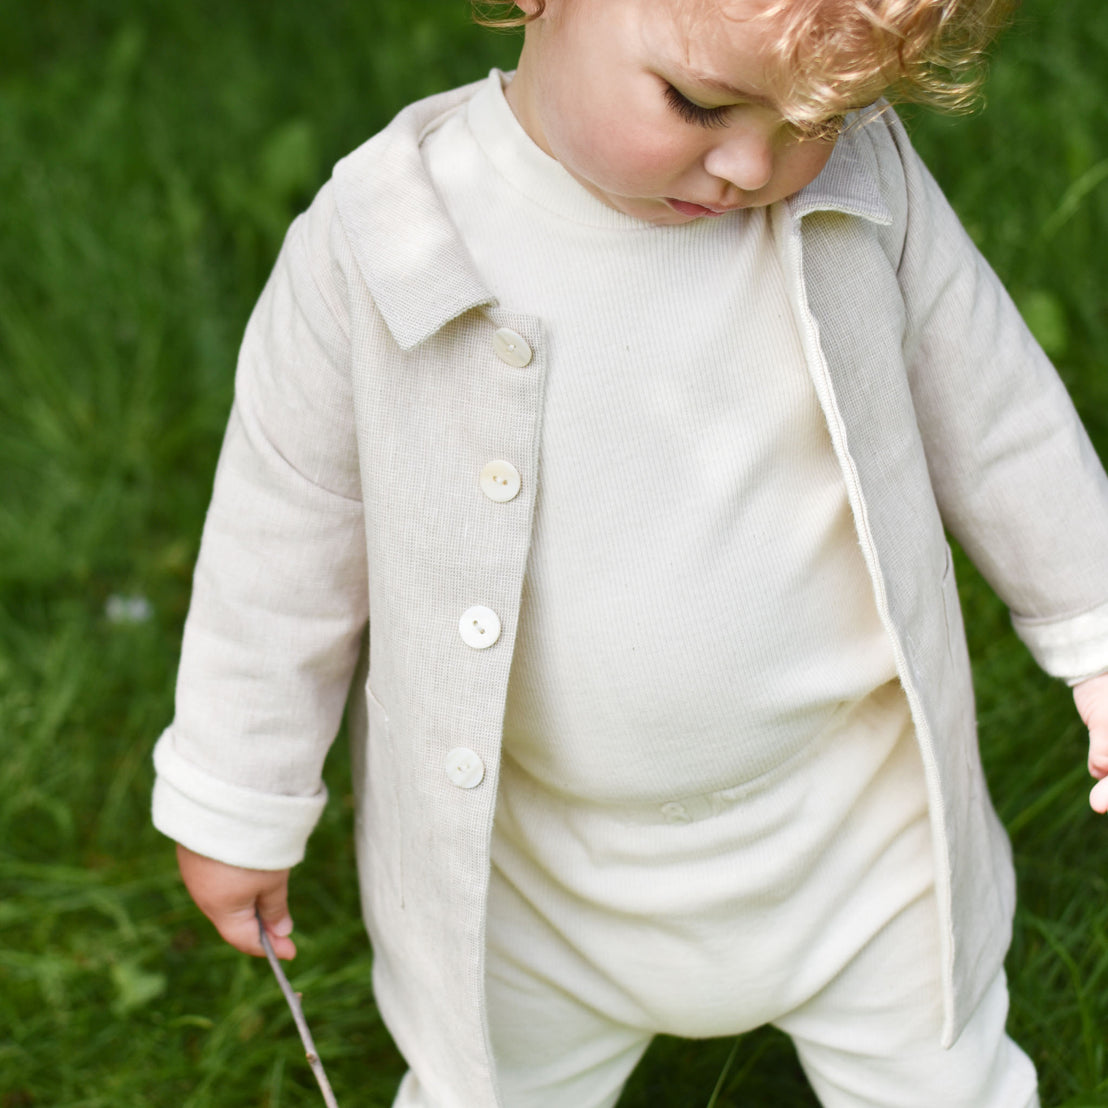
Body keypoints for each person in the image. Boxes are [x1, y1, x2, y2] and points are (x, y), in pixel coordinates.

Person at [152, 0, 1108, 1104]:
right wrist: (237, 794)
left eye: (821, 113)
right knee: (495, 1082)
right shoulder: (382, 240)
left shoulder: (866, 187)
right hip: (536, 873)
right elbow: (282, 538)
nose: (753, 162)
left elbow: (996, 419)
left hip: (854, 835)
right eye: (697, 102)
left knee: (940, 1075)